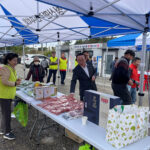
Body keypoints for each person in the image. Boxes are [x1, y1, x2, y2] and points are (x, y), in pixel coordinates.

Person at [0, 53, 21, 140]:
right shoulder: (5, 69)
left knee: (5, 113)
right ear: (8, 60)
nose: (16, 62)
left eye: (16, 60)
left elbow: (10, 79)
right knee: (7, 114)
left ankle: (2, 129)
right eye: (14, 60)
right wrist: (15, 83)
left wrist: (16, 80)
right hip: (4, 95)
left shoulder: (11, 68)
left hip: (8, 95)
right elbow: (4, 81)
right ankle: (7, 133)